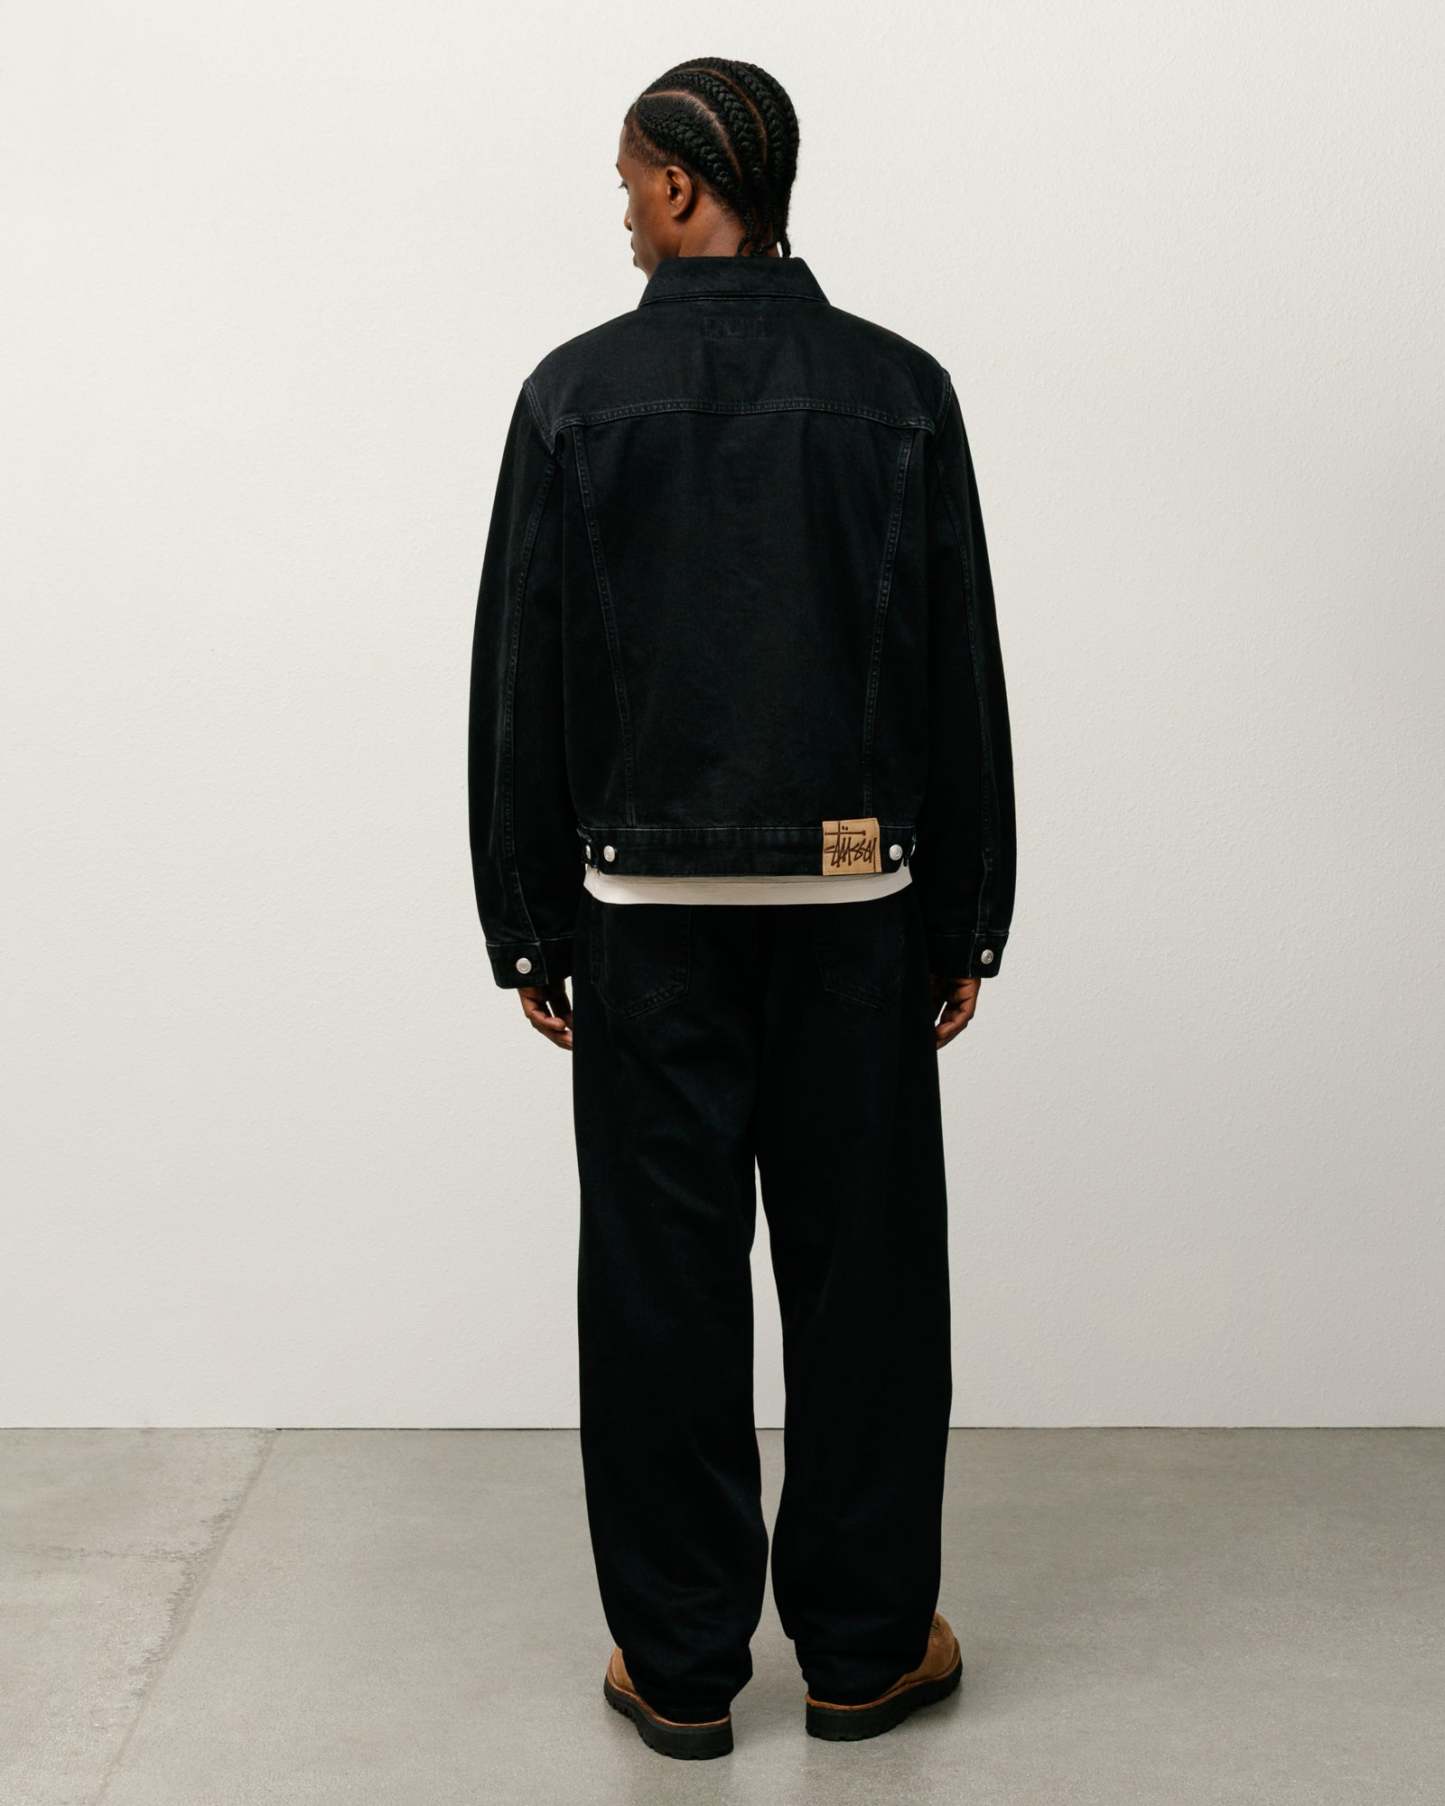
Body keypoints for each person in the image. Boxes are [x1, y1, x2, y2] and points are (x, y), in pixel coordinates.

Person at [467, 56, 1016, 1761]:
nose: (622, 211)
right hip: (855, 907)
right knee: (866, 1285)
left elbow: (521, 671)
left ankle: (682, 1665)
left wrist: (526, 916)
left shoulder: (572, 395)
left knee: (660, 1289)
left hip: (646, 917)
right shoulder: (897, 392)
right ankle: (861, 1650)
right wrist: (965, 914)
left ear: (686, 187)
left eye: (628, 181)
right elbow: (956, 667)